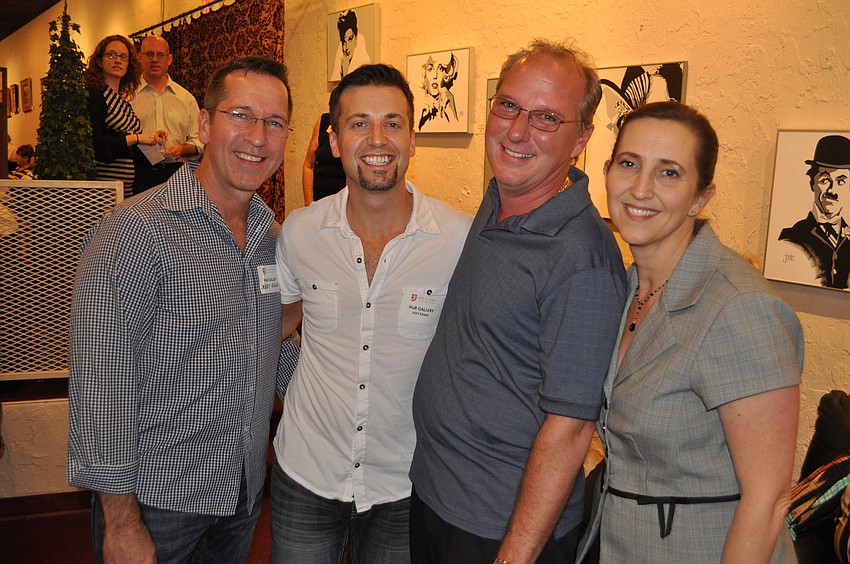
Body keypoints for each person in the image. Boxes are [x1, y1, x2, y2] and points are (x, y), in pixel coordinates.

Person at [68, 55, 293, 563]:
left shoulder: (272, 239)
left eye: (274, 122)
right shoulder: (134, 232)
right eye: (240, 115)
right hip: (154, 503)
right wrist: (121, 520)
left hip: (240, 495)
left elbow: (265, 348)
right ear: (205, 124)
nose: (257, 136)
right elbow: (100, 380)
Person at [409, 39, 627, 564]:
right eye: (508, 105)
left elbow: (571, 429)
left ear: (582, 140)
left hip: (499, 529)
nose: (518, 130)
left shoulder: (583, 258)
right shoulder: (497, 201)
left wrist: (516, 554)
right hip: (438, 497)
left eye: (548, 117)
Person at [575, 101, 803, 563]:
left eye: (670, 173)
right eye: (629, 164)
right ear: (606, 171)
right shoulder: (627, 287)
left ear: (701, 197)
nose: (640, 189)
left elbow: (770, 499)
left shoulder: (740, 309)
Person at [269, 63, 471, 564]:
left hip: (404, 481)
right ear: (334, 142)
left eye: (393, 123)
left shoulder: (458, 240)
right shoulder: (300, 232)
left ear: (413, 138)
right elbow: (280, 323)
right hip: (306, 472)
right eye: (359, 123)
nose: (377, 138)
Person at [84, 35, 167, 198]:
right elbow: (96, 145)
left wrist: (152, 139)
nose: (118, 60)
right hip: (104, 189)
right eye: (111, 55)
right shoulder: (95, 95)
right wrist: (137, 138)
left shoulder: (123, 102)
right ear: (100, 61)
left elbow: (128, 142)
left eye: (123, 57)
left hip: (127, 188)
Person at [132, 35, 204, 191]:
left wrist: (182, 149)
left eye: (160, 55)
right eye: (149, 54)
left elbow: (200, 141)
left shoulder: (186, 99)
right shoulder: (127, 96)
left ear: (169, 59)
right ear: (140, 57)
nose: (155, 59)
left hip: (177, 175)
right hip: (137, 175)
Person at [778, 134, 850, 289]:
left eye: (841, 181)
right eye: (825, 180)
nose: (832, 190)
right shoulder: (791, 238)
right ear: (812, 183)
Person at [301, 112, 346, 205]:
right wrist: (309, 204)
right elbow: (308, 166)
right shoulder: (324, 120)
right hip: (319, 202)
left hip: (346, 205)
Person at [418, 52, 458, 131]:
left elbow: (458, 129)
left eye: (440, 69)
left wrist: (451, 112)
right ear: (424, 72)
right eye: (430, 69)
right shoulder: (420, 106)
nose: (435, 76)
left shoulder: (449, 102)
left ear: (446, 74)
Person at [333, 9, 370, 81]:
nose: (346, 47)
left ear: (356, 37)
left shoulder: (364, 62)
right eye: (344, 42)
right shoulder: (341, 61)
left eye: (350, 39)